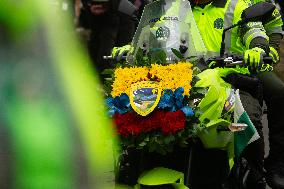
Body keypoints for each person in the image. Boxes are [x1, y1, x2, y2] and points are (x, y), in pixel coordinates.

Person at [112, 0, 271, 188]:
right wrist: (132, 49)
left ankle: (255, 177)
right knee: (142, 117)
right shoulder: (178, 7)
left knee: (247, 118)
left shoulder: (236, 6)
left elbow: (255, 32)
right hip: (185, 81)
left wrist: (257, 48)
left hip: (229, 79)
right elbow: (155, 33)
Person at [245, 0, 284, 188]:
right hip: (201, 63)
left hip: (249, 61)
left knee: (279, 91)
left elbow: (274, 24)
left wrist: (271, 50)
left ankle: (276, 163)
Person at [79, 0, 136, 79]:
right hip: (97, 17)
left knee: (113, 48)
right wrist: (89, 6)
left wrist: (108, 6)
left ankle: (106, 78)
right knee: (96, 46)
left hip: (119, 15)